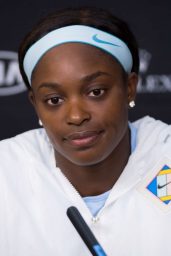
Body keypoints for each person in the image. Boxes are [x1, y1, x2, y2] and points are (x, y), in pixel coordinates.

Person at [0, 6, 171, 256]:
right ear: (35, 103)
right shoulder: (5, 173)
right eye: (54, 99)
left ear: (130, 88)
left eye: (96, 92)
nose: (77, 116)